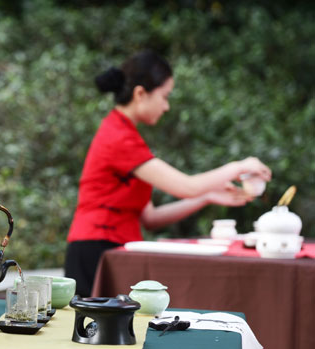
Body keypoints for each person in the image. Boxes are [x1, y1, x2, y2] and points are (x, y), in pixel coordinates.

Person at [65, 50, 271, 297]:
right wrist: (238, 166)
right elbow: (187, 186)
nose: (166, 106)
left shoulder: (125, 135)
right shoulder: (119, 138)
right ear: (140, 93)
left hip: (114, 250)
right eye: (164, 96)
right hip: (96, 250)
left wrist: (207, 197)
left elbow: (150, 217)